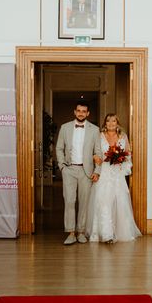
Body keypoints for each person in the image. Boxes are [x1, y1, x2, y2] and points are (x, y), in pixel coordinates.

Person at [86, 113, 141, 243]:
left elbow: (128, 155)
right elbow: (94, 152)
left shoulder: (123, 136)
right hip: (104, 172)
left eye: (114, 121)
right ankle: (106, 234)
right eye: (108, 121)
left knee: (120, 202)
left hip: (117, 174)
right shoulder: (99, 136)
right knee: (103, 202)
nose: (111, 123)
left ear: (117, 123)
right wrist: (95, 157)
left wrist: (121, 160)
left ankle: (120, 232)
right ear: (105, 123)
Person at [55, 100, 102, 245]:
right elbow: (59, 148)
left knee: (84, 202)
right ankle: (70, 233)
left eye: (84, 111)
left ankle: (80, 232)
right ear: (75, 112)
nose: (81, 113)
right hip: (69, 169)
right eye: (78, 111)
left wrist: (97, 171)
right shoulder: (65, 128)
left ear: (87, 113)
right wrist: (62, 166)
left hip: (86, 171)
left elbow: (98, 152)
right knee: (69, 201)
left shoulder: (94, 130)